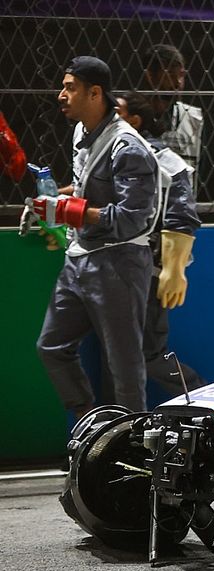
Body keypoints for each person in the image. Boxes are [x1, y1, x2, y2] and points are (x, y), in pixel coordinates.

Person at [20, 56, 159, 416]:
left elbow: (134, 219)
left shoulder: (127, 147)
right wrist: (49, 201)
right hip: (80, 258)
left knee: (124, 367)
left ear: (95, 93)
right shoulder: (82, 131)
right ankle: (88, 427)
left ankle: (133, 453)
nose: (60, 95)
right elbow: (84, 189)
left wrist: (65, 211)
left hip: (119, 262)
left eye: (70, 87)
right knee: (50, 347)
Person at [117, 90, 206, 397]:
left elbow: (182, 213)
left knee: (149, 353)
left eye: (117, 112)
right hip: (122, 267)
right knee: (122, 352)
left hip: (150, 269)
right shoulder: (113, 153)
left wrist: (172, 267)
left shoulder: (158, 157)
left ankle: (201, 402)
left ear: (135, 120)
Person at [143, 44, 202, 193]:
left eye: (181, 75)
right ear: (150, 75)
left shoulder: (194, 118)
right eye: (169, 74)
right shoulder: (130, 116)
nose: (178, 82)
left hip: (181, 206)